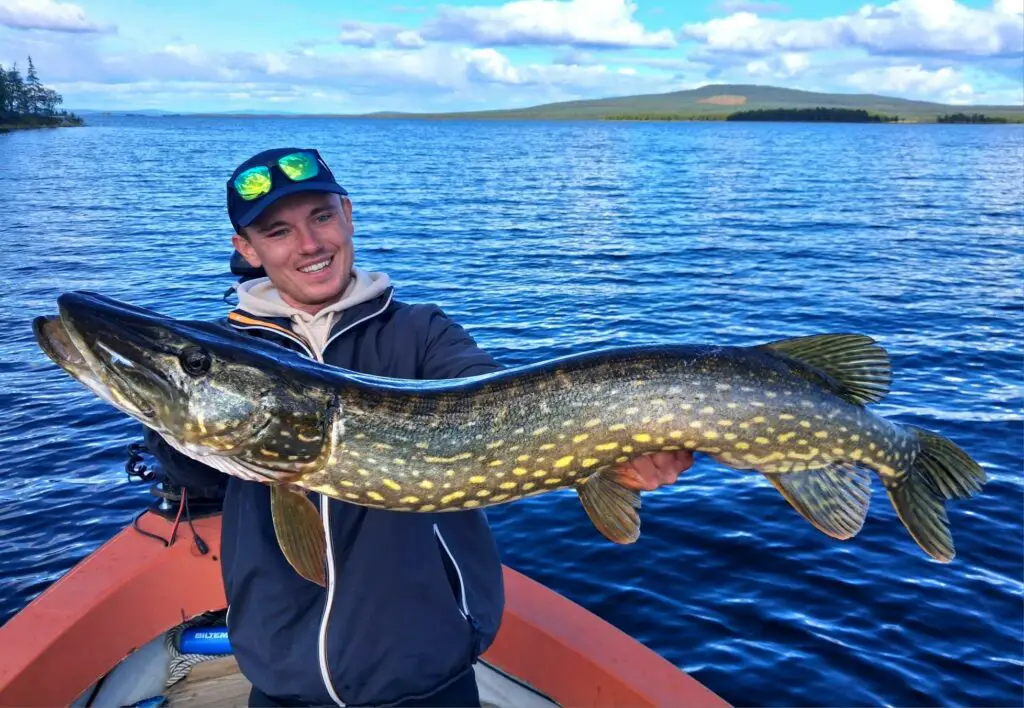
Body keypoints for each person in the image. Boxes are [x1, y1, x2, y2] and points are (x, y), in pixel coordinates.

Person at [144, 146, 695, 707]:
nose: (310, 245)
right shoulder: (227, 350)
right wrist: (170, 410)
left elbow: (505, 412)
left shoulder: (421, 332)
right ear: (248, 249)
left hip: (427, 676)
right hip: (284, 679)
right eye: (278, 231)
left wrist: (619, 457)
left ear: (348, 215)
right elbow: (197, 477)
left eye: (322, 217)